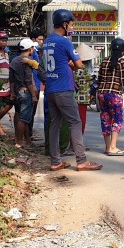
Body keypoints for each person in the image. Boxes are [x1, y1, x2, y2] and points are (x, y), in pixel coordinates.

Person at [43, 9, 102, 171]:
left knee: (54, 124)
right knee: (75, 122)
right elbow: (80, 64)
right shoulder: (65, 42)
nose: (72, 27)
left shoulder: (47, 41)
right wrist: (72, 64)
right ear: (64, 24)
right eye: (71, 24)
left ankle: (55, 161)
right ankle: (81, 161)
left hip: (51, 90)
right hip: (64, 89)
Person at [97, 38, 124, 156]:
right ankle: (113, 147)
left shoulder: (104, 61)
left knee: (105, 119)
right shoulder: (122, 62)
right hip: (114, 95)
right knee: (117, 120)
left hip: (102, 94)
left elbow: (99, 78)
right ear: (122, 50)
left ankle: (107, 147)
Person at [9, 38, 38, 149]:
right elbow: (29, 81)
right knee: (23, 119)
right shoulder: (27, 61)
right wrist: (34, 95)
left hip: (17, 92)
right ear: (30, 49)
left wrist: (12, 93)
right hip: (25, 92)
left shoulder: (14, 60)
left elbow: (11, 79)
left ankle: (27, 141)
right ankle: (19, 143)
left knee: (24, 118)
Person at [28, 29, 45, 139]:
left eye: (42, 39)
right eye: (40, 39)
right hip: (32, 84)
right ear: (33, 40)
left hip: (37, 84)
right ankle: (27, 136)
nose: (41, 42)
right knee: (29, 111)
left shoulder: (37, 52)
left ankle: (29, 134)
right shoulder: (31, 52)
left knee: (32, 111)